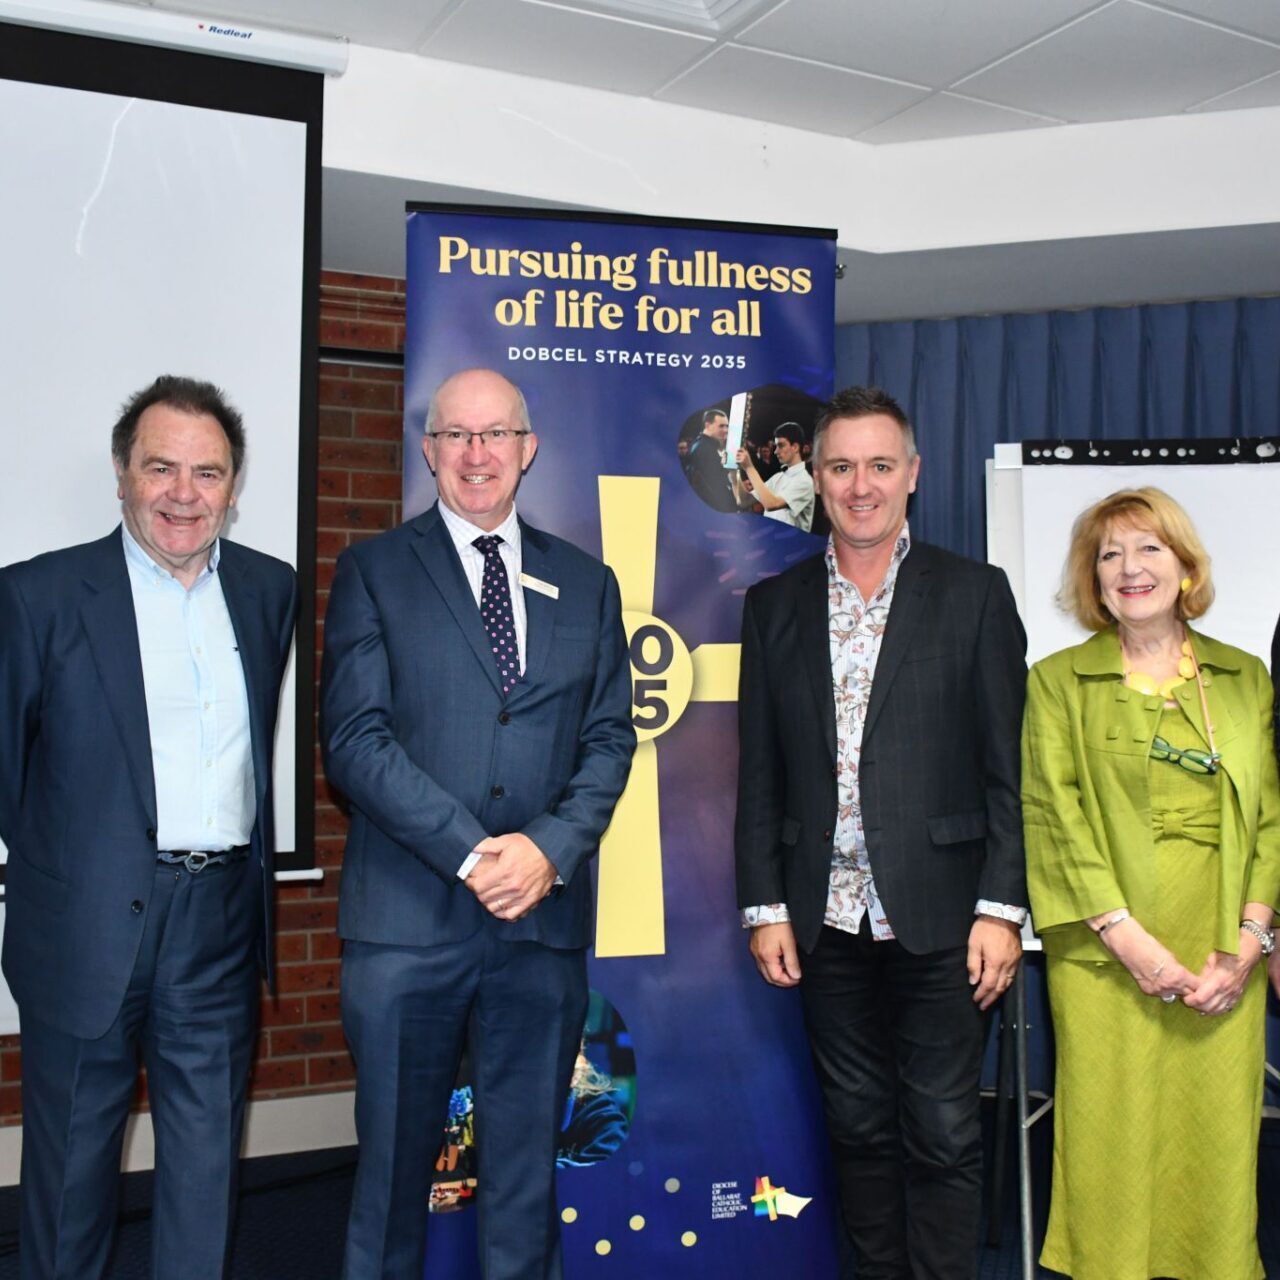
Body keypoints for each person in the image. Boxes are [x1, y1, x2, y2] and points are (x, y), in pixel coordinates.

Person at [321, 367, 634, 1279]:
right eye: (456, 435)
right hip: (405, 927)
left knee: (525, 1183)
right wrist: (471, 853)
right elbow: (354, 739)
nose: (476, 453)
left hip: (539, 927)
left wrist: (549, 849)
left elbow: (610, 739)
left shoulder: (589, 583)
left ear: (528, 450)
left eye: (495, 434)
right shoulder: (375, 571)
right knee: (388, 1184)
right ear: (429, 450)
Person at [0, 375, 297, 1280]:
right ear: (123, 475)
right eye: (161, 468)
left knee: (206, 1169)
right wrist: (72, 867)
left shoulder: (266, 590)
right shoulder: (37, 596)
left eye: (207, 473)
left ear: (233, 489)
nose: (184, 492)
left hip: (216, 925)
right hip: (86, 925)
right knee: (69, 1178)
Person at [734, 385, 1026, 1279]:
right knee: (856, 1132)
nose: (861, 485)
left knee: (941, 1133)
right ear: (815, 480)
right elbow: (761, 773)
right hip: (823, 922)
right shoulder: (773, 605)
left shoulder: (974, 595)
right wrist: (763, 904)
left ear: (913, 476)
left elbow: (1010, 772)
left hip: (946, 919)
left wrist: (1002, 908)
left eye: (880, 465)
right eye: (841, 467)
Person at [1023, 486, 1280, 1280]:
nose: (1130, 568)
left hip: (1219, 961)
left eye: (1149, 549)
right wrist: (1128, 941)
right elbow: (1053, 814)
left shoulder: (1246, 678)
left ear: (1184, 565)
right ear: (1092, 580)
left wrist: (1248, 945)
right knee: (1109, 1151)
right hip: (1107, 960)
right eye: (1109, 555)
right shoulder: (1056, 681)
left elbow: (1271, 818)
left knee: (1215, 1149)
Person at [735, 421, 815, 531]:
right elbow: (744, 501)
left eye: (781, 445)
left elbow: (770, 504)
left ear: (795, 447)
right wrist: (734, 472)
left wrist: (749, 467)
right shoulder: (778, 477)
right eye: (776, 446)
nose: (776, 451)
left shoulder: (804, 481)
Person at [685, 407, 738, 512]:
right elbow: (713, 485)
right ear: (708, 425)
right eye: (721, 426)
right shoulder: (703, 448)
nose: (726, 430)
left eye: (727, 426)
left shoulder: (703, 445)